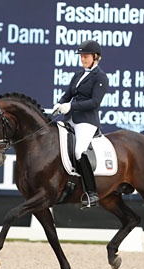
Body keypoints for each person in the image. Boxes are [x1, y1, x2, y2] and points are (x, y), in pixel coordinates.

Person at [53, 40, 109, 209]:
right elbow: (68, 94)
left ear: (96, 57)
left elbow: (94, 102)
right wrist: (60, 103)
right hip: (70, 118)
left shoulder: (101, 77)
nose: (83, 59)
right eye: (82, 56)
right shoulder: (78, 75)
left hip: (87, 121)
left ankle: (92, 193)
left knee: (78, 151)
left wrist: (71, 106)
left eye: (86, 56)